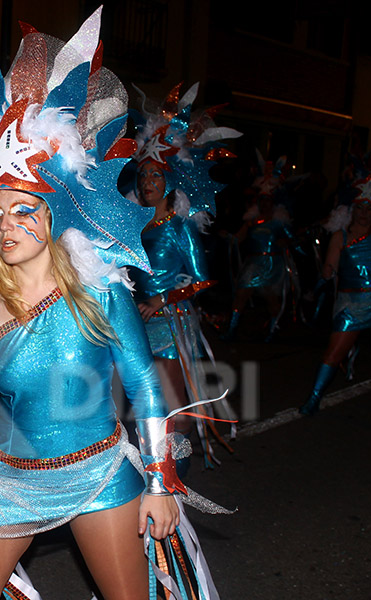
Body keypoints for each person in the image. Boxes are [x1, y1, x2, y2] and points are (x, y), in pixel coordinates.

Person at [0, 9, 224, 598]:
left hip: (99, 473)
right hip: (9, 481)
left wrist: (160, 482)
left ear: (56, 212)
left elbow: (144, 385)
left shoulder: (100, 290)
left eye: (25, 210)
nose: (7, 224)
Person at [126, 82, 240, 469]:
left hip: (170, 325)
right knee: (140, 406)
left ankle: (175, 480)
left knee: (173, 409)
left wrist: (161, 299)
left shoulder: (181, 228)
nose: (147, 184)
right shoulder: (133, 226)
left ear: (169, 181)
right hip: (132, 324)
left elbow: (202, 280)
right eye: (143, 177)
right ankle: (147, 471)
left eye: (155, 177)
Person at [299, 146, 371, 416]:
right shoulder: (341, 237)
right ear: (352, 207)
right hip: (352, 305)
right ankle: (313, 398)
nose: (364, 214)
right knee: (333, 354)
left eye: (370, 210)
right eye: (360, 208)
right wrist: (325, 275)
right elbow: (329, 268)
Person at [222, 155, 297, 342]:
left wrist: (286, 243)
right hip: (254, 263)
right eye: (262, 200)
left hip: (273, 264)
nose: (265, 204)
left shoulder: (280, 221)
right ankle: (231, 330)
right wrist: (226, 236)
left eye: (268, 200)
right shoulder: (252, 220)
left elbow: (293, 239)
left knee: (272, 300)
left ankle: (272, 331)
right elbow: (238, 238)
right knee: (241, 294)